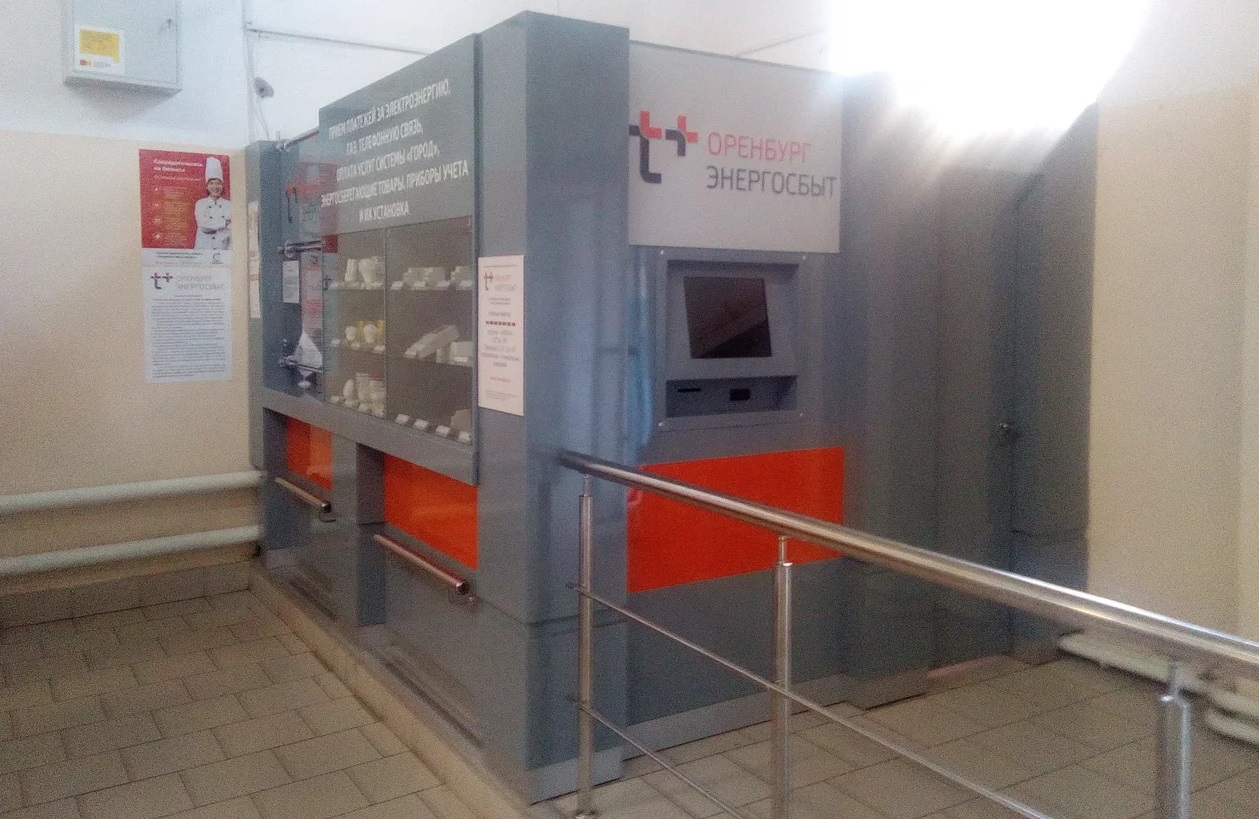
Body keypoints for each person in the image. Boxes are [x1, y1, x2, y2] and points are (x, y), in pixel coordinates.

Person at [194, 156, 231, 250]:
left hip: (223, 248)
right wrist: (224, 223)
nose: (215, 187)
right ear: (207, 187)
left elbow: (231, 230)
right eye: (211, 183)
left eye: (218, 183)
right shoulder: (200, 203)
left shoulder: (229, 205)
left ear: (222, 186)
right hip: (203, 248)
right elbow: (203, 225)